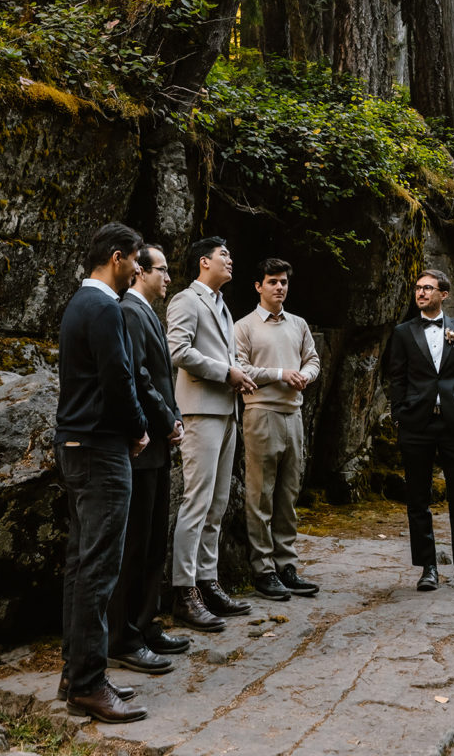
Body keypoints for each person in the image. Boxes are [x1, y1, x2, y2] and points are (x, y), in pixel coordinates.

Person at [55, 222, 149, 723]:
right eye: (135, 259)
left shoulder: (78, 303)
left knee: (80, 562)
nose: (138, 268)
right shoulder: (106, 307)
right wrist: (137, 428)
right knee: (99, 566)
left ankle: (76, 673)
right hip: (99, 446)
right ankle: (88, 684)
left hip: (75, 443)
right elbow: (118, 377)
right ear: (117, 257)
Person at [107, 244, 188, 674]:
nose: (168, 278)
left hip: (157, 447)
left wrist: (172, 418)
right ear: (141, 273)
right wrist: (166, 419)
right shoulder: (129, 313)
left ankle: (145, 622)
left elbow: (159, 376)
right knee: (135, 545)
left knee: (154, 540)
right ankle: (123, 636)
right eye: (163, 271)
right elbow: (137, 376)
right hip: (140, 448)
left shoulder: (148, 315)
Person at [167, 236, 255, 630]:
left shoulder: (222, 305)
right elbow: (178, 350)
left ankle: (208, 581)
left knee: (217, 504)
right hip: (199, 411)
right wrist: (226, 372)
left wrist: (240, 372)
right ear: (204, 262)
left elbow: (228, 357)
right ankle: (183, 592)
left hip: (227, 410)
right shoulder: (187, 300)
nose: (231, 259)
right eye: (225, 254)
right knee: (196, 502)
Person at [389, 269, 454, 595]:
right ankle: (428, 568)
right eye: (418, 288)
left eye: (428, 288)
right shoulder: (403, 332)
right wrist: (399, 415)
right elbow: (396, 378)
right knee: (418, 499)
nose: (421, 293)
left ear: (444, 294)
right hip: (416, 425)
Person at [234, 258, 321, 600]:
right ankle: (263, 569)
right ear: (258, 286)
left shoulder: (298, 324)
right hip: (261, 413)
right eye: (272, 282)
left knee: (288, 493)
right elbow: (239, 367)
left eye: (283, 281)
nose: (280, 287)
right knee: (260, 493)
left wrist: (306, 376)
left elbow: (312, 359)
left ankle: (287, 564)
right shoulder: (244, 326)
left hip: (293, 415)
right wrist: (281, 373)